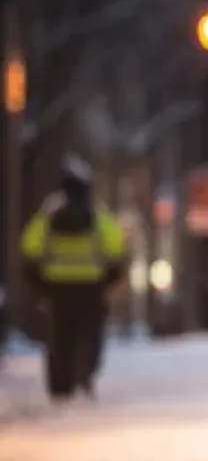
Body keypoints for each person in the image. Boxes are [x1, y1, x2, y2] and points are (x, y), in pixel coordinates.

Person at [20, 154, 128, 400]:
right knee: (90, 332)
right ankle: (85, 373)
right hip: (91, 285)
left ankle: (60, 384)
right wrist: (110, 279)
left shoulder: (48, 215)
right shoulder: (97, 215)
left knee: (60, 335)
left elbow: (29, 246)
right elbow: (116, 247)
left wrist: (39, 280)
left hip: (58, 286)